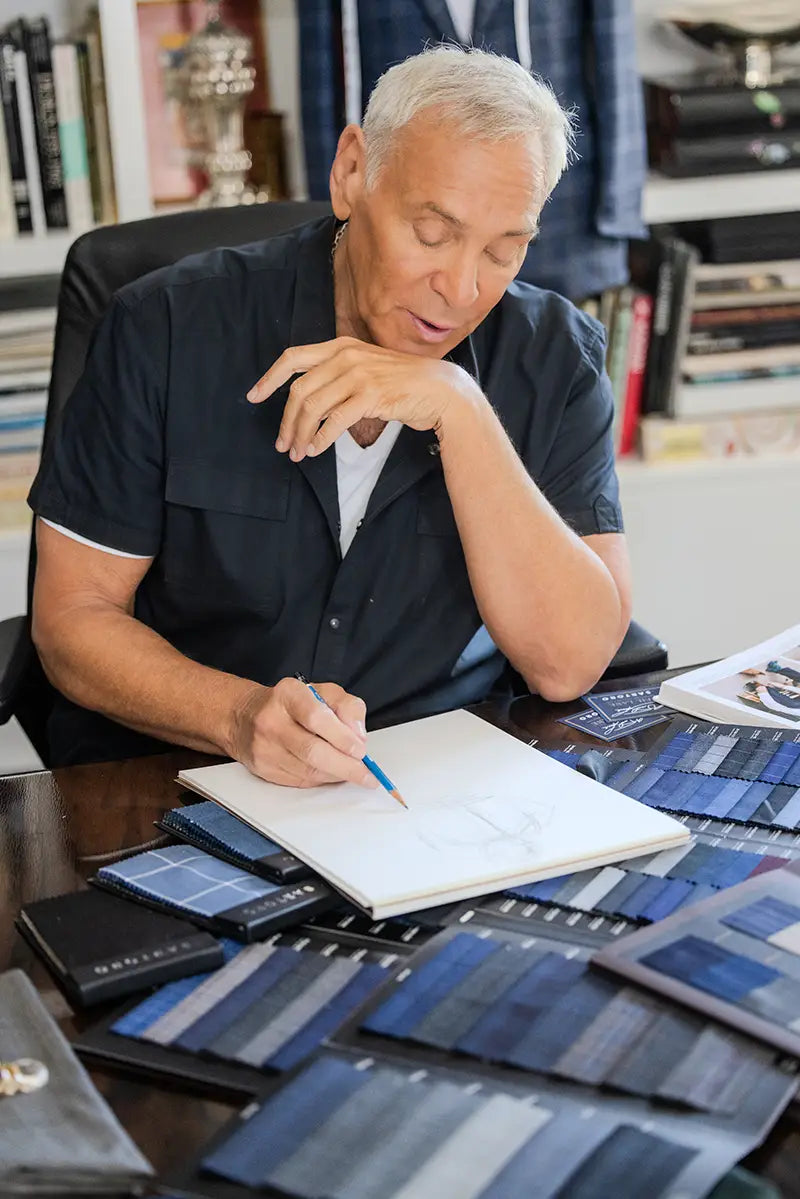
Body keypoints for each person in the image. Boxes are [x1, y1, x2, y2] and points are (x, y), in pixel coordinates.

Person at [29, 46, 632, 782]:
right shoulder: (168, 327)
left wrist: (460, 407)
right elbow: (70, 622)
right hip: (178, 780)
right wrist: (239, 715)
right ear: (352, 171)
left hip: (431, 785)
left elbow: (569, 663)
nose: (461, 287)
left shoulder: (555, 359)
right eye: (432, 233)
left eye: (505, 252)